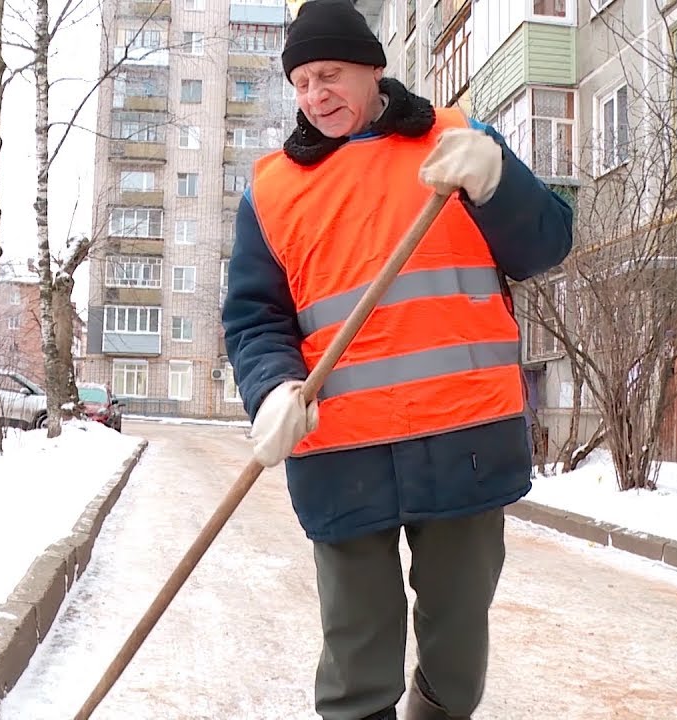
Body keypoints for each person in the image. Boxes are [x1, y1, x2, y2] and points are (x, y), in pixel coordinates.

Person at [220, 1, 574, 718]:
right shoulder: (273, 190)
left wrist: (499, 180)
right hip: (342, 451)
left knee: (456, 644)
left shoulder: (455, 143)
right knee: (358, 652)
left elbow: (546, 246)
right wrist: (272, 390)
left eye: (330, 75)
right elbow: (255, 317)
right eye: (301, 83)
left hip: (463, 438)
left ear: (373, 69)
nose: (316, 95)